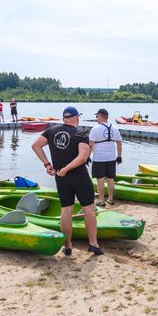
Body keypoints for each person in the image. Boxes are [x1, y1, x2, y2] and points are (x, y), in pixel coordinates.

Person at [32, 106, 103, 256]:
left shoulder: (51, 131)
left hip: (61, 177)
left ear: (64, 118)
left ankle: (68, 245)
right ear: (77, 118)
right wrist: (67, 169)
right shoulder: (80, 134)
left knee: (66, 210)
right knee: (89, 209)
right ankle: (93, 244)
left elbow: (35, 145)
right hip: (79, 176)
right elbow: (82, 158)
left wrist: (47, 164)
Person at [89, 108, 122, 207]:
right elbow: (119, 143)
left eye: (97, 116)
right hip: (111, 158)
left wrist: (87, 157)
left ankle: (101, 200)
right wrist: (119, 156)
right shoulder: (115, 128)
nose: (96, 118)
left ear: (101, 116)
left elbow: (90, 145)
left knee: (100, 179)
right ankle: (110, 199)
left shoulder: (95, 129)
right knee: (110, 178)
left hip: (99, 158)